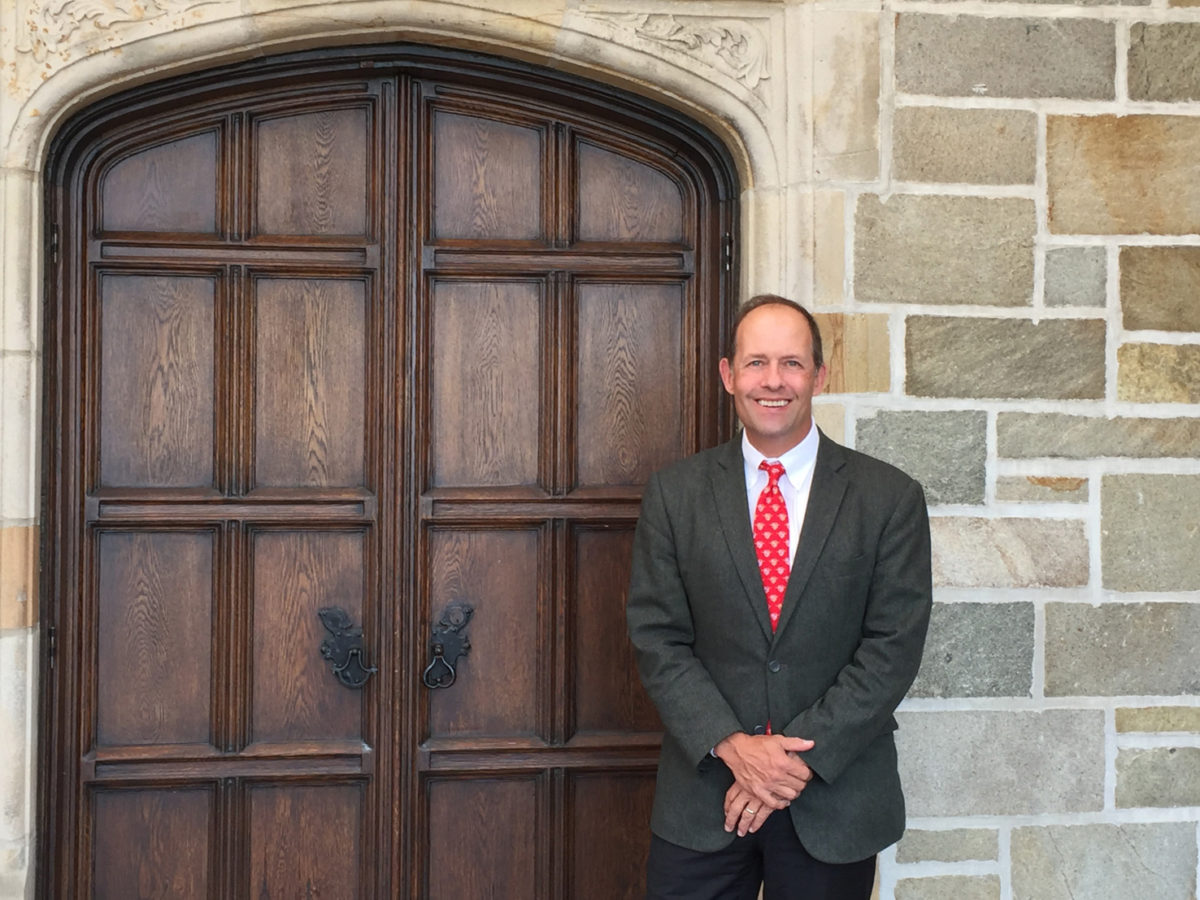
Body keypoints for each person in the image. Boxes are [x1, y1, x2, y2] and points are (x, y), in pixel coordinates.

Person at [626, 294, 932, 899]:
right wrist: (734, 747)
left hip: (832, 797)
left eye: (791, 363)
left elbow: (892, 646)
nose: (773, 381)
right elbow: (657, 637)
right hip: (705, 796)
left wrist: (789, 766)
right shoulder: (675, 495)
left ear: (820, 375)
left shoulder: (888, 497)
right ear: (728, 375)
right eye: (756, 362)